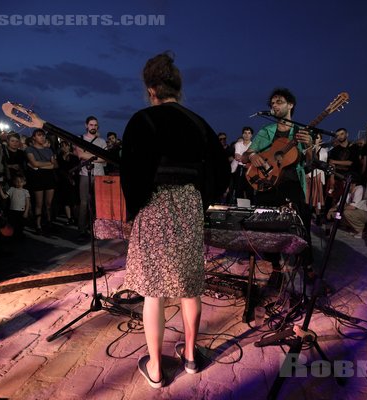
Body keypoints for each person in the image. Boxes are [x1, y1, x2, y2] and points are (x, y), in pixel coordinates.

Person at [120, 52, 229, 388]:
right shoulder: (199, 123)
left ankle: (155, 368)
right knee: (189, 287)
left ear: (151, 89)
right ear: (177, 89)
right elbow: (222, 170)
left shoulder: (142, 120)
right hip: (188, 207)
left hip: (154, 208)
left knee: (153, 293)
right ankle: (192, 357)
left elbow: (131, 174)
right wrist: (200, 199)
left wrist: (135, 209)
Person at [241, 87, 314, 281]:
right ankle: (274, 268)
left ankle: (307, 266)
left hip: (291, 183)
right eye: (272, 103)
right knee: (268, 226)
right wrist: (254, 155)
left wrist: (308, 147)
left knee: (301, 224)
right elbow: (246, 156)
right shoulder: (266, 130)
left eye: (279, 102)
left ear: (291, 105)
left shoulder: (300, 132)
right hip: (266, 183)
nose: (274, 105)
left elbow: (309, 163)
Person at [75, 116, 107, 242]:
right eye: (91, 125)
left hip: (99, 174)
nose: (93, 127)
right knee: (84, 203)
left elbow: (105, 158)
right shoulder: (80, 139)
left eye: (95, 125)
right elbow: (81, 155)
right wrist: (97, 155)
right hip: (85, 174)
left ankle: (96, 229)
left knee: (98, 204)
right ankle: (81, 230)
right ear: (86, 125)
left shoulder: (102, 141)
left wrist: (90, 156)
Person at [25, 129, 57, 235]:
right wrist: (49, 164)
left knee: (49, 203)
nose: (42, 137)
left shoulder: (49, 150)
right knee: (39, 203)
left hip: (49, 178)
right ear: (34, 137)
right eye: (39, 135)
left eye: (43, 135)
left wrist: (40, 165)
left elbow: (55, 165)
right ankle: (38, 225)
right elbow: (34, 164)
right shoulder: (30, 149)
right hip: (37, 178)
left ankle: (49, 222)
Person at [227, 126, 253, 203]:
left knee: (250, 189)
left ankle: (251, 208)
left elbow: (254, 157)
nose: (247, 135)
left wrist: (247, 159)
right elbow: (237, 157)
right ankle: (239, 208)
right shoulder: (238, 144)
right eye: (245, 133)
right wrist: (248, 158)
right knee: (239, 189)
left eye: (249, 133)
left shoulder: (253, 144)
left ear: (251, 135)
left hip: (251, 169)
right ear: (242, 134)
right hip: (240, 168)